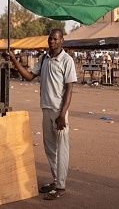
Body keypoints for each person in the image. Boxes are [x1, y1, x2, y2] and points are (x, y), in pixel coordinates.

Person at [5, 29, 76, 200]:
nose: (52, 42)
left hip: (59, 111)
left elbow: (69, 89)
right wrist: (14, 60)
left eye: (55, 39)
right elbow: (29, 76)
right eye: (50, 39)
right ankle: (56, 179)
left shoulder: (67, 60)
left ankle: (60, 186)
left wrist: (62, 114)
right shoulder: (44, 58)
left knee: (62, 148)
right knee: (49, 147)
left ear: (61, 41)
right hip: (46, 108)